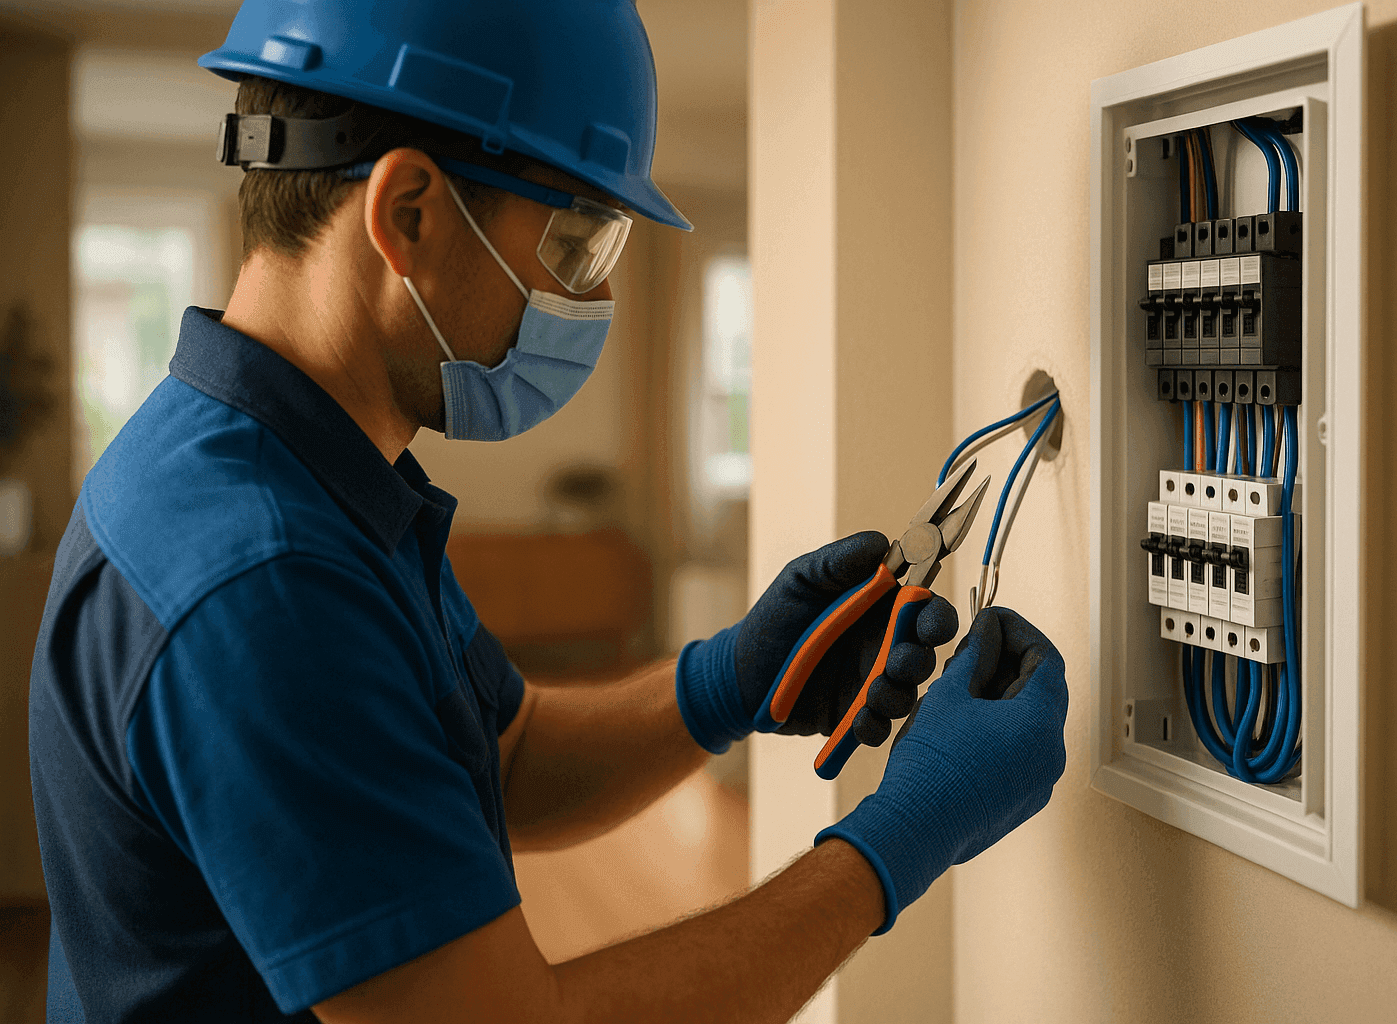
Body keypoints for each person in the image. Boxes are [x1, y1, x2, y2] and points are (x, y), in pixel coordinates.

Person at [27, 1, 1069, 1021]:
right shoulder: (262, 580)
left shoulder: (302, 474)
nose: (594, 302)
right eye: (579, 244)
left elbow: (504, 756)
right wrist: (901, 838)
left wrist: (729, 678)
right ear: (410, 216)